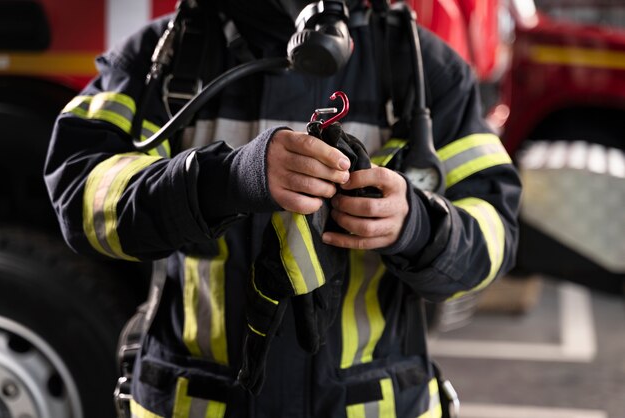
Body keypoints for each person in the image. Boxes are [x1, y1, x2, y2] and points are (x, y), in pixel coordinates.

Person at [44, 0, 521, 417]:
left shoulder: (425, 70)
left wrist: (416, 225)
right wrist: (226, 180)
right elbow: (81, 194)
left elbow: (495, 231)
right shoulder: (160, 58)